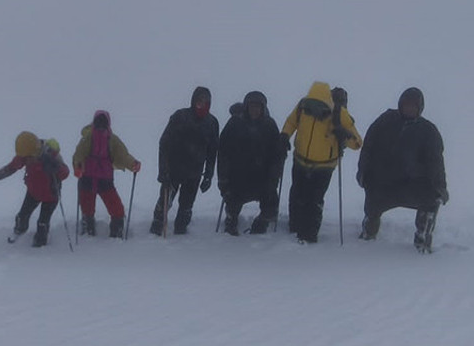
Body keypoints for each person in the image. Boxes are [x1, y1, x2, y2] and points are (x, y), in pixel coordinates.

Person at [356, 87, 449, 253]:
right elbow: (368, 148)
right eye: (406, 105)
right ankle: (368, 233)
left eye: (413, 106)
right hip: (383, 183)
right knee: (373, 205)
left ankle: (422, 239)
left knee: (431, 199)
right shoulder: (385, 121)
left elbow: (435, 162)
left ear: (420, 108)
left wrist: (440, 187)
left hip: (414, 185)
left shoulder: (428, 131)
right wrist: (363, 171)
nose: (409, 108)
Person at [279, 82, 363, 243]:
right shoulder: (303, 106)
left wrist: (344, 134)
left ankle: (309, 234)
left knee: (312, 198)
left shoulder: (339, 114)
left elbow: (358, 143)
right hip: (302, 160)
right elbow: (291, 122)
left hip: (323, 166)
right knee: (299, 195)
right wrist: (284, 135)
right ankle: (296, 227)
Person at [150, 86, 220, 235]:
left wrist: (208, 175)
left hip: (194, 173)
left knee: (187, 206)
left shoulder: (212, 123)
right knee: (164, 203)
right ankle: (156, 229)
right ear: (193, 101)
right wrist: (163, 170)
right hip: (173, 170)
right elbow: (164, 143)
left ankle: (181, 232)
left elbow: (212, 152)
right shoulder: (180, 116)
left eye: (205, 102)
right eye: (199, 100)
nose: (201, 104)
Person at [216, 91, 285, 235]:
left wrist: (274, 176)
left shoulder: (269, 125)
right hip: (238, 176)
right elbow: (223, 152)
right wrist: (223, 179)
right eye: (251, 106)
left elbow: (277, 155)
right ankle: (231, 220)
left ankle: (261, 223)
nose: (255, 110)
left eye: (258, 107)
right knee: (232, 200)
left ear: (263, 108)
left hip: (263, 177)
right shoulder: (235, 123)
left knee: (271, 207)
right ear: (246, 107)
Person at [0, 131, 70, 247]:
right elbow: (11, 168)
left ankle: (40, 245)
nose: (26, 161)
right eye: (24, 158)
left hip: (51, 195)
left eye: (28, 158)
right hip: (33, 192)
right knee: (22, 216)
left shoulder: (51, 156)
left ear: (35, 152)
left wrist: (56, 167)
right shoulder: (25, 154)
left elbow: (65, 173)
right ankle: (18, 232)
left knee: (42, 223)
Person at [71, 110, 141, 238]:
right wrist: (78, 165)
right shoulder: (95, 138)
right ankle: (113, 231)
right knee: (104, 208)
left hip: (92, 178)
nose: (101, 126)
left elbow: (122, 155)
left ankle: (91, 230)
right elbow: (79, 155)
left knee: (100, 207)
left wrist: (132, 164)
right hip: (100, 178)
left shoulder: (103, 139)